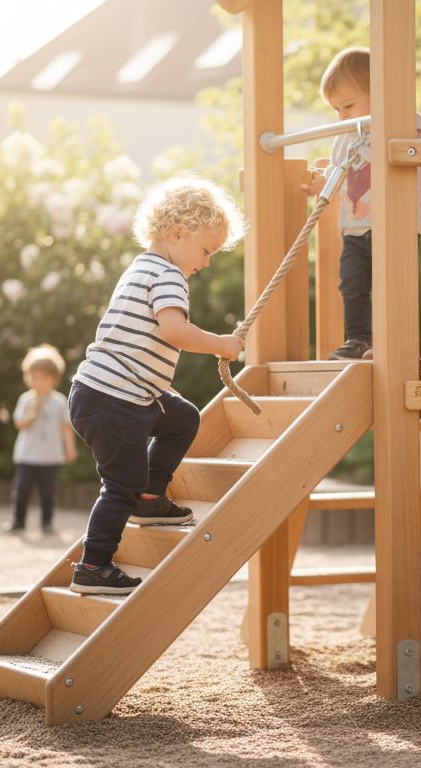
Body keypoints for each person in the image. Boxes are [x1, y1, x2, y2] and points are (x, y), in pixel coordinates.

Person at [67, 173, 246, 595]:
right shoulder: (168, 276)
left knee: (182, 417)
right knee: (120, 485)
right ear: (177, 233)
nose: (205, 263)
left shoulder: (141, 268)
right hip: (115, 399)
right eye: (206, 251)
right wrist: (221, 343)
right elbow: (174, 331)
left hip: (121, 394)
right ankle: (94, 565)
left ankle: (151, 498)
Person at [306, 46, 421, 360]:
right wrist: (323, 183)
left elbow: (417, 135)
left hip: (393, 227)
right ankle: (360, 340)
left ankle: (393, 343)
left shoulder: (401, 124)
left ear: (381, 93)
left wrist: (391, 113)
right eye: (336, 109)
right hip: (355, 231)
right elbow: (339, 176)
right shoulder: (345, 138)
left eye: (348, 105)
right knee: (351, 285)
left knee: (392, 287)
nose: (342, 115)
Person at [4, 344, 77, 535]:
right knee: (21, 492)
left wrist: (70, 448)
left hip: (51, 457)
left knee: (48, 494)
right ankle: (18, 521)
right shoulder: (26, 399)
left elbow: (65, 426)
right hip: (26, 456)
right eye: (32, 377)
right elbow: (19, 423)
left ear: (53, 379)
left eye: (41, 378)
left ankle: (47, 522)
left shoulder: (60, 401)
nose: (36, 382)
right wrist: (31, 414)